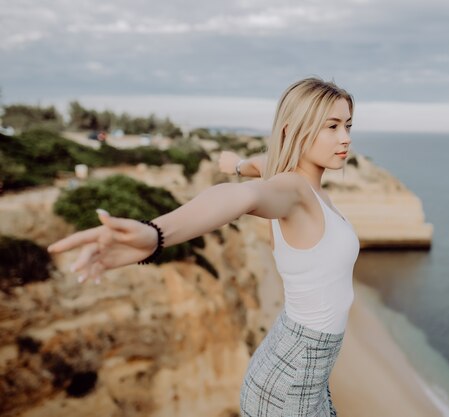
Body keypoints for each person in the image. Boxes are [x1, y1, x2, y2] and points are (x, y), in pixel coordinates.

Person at [47, 77, 359, 416]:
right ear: (294, 129)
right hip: (291, 379)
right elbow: (239, 196)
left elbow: (264, 164)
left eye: (348, 125)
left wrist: (239, 165)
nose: (345, 138)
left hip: (303, 368)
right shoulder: (293, 191)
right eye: (332, 126)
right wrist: (156, 235)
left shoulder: (303, 186)